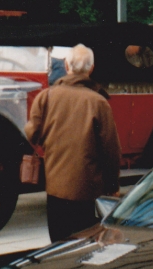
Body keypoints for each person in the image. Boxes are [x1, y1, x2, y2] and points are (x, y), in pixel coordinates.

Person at [25, 44, 120, 242]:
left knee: (58, 245)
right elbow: (110, 150)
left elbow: (32, 133)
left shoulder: (46, 97)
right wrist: (112, 185)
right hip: (87, 190)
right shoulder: (99, 102)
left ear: (67, 66)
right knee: (83, 245)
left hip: (54, 188)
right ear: (91, 69)